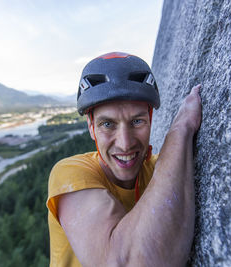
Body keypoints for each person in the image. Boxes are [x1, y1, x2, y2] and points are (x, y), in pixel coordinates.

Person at [46, 51, 202, 267]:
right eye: (107, 124)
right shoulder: (70, 174)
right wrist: (180, 130)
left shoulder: (160, 168)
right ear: (91, 127)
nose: (125, 143)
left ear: (150, 119)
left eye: (137, 121)